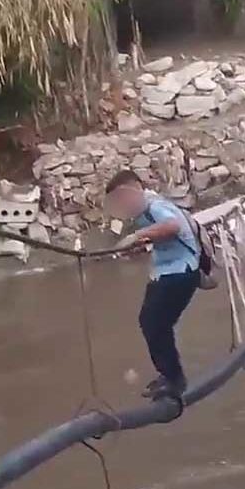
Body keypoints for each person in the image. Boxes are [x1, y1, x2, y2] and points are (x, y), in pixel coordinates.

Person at [105, 170, 200, 401]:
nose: (123, 204)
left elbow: (173, 227)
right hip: (167, 272)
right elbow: (163, 237)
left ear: (136, 188)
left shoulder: (153, 205)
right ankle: (168, 375)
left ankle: (174, 379)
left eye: (124, 196)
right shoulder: (144, 211)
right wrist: (139, 244)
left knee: (154, 323)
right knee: (152, 323)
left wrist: (136, 236)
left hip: (180, 272)